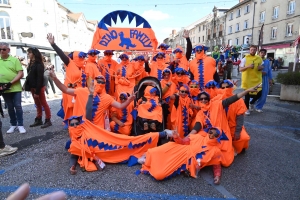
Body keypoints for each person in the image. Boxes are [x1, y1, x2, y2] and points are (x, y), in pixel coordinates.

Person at [47, 33, 87, 121]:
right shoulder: (69, 63)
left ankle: (80, 123)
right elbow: (61, 54)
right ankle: (71, 123)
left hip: (79, 91)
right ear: (76, 57)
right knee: (71, 106)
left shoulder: (83, 67)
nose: (83, 59)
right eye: (81, 57)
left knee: (79, 107)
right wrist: (53, 44)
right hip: (69, 90)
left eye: (83, 58)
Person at [0, 42, 26, 134]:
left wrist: (11, 83)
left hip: (15, 87)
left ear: (8, 50)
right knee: (10, 107)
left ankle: (20, 125)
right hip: (3, 88)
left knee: (18, 106)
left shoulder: (14, 60)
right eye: (0, 49)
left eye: (4, 49)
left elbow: (20, 73)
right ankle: (13, 124)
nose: (1, 51)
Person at [219, 80, 250, 155]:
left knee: (243, 138)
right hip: (220, 128)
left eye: (227, 87)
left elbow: (240, 118)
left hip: (233, 127)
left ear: (231, 88)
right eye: (223, 88)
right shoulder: (216, 99)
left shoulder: (239, 100)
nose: (225, 89)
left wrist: (237, 131)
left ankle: (238, 147)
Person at [26, 48, 52, 128]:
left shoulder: (39, 64)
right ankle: (39, 119)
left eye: (29, 53)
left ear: (34, 53)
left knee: (43, 103)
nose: (28, 54)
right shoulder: (31, 63)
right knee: (37, 104)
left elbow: (39, 78)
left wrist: (37, 91)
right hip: (33, 86)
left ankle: (48, 120)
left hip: (39, 87)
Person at [239, 45, 263, 115]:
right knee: (247, 95)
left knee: (259, 94)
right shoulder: (245, 59)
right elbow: (240, 69)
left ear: (256, 50)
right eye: (251, 50)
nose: (253, 51)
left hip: (257, 80)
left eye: (254, 50)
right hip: (247, 80)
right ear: (249, 50)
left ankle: (251, 103)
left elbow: (262, 66)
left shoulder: (259, 58)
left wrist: (261, 67)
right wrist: (248, 66)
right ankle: (246, 109)